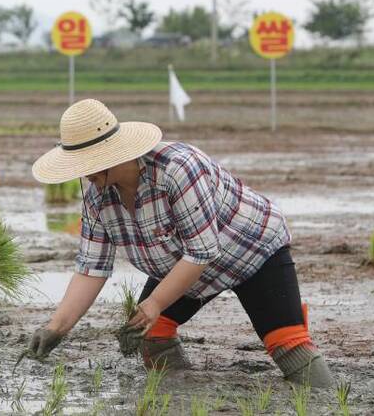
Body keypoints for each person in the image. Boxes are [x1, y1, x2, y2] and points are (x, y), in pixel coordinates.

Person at [27, 98, 333, 387]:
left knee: (287, 342)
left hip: (251, 251)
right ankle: (179, 395)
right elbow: (91, 268)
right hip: (181, 267)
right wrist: (57, 327)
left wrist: (155, 303)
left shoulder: (178, 169)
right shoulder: (97, 195)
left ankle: (328, 402)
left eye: (86, 163)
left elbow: (202, 251)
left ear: (112, 154)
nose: (82, 174)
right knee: (149, 333)